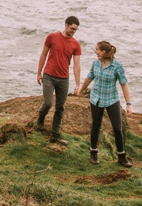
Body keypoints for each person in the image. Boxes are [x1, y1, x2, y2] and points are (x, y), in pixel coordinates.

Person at [78, 40, 132, 167]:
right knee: (96, 126)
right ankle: (93, 153)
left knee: (117, 128)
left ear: (103, 52)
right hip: (96, 98)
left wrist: (128, 103)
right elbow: (89, 77)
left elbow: (123, 84)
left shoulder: (117, 66)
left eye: (97, 49)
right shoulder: (96, 63)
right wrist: (81, 90)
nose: (95, 51)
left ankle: (121, 156)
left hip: (111, 99)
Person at [35, 15, 82, 145]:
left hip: (63, 78)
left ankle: (55, 134)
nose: (73, 31)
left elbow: (76, 64)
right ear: (66, 25)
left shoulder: (76, 44)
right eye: (72, 28)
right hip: (49, 75)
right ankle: (40, 120)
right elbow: (43, 54)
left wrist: (78, 84)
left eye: (76, 30)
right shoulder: (52, 37)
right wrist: (39, 73)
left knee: (60, 107)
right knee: (48, 103)